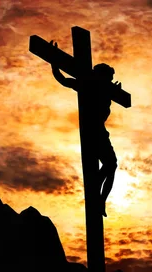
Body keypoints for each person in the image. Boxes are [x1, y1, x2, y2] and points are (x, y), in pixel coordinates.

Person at [50, 41, 120, 217]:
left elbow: (119, 95)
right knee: (110, 164)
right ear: (101, 75)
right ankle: (96, 186)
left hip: (101, 132)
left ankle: (101, 199)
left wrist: (114, 90)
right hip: (92, 131)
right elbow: (63, 80)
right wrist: (54, 63)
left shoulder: (106, 89)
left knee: (112, 164)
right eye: (108, 77)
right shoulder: (88, 85)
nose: (110, 81)